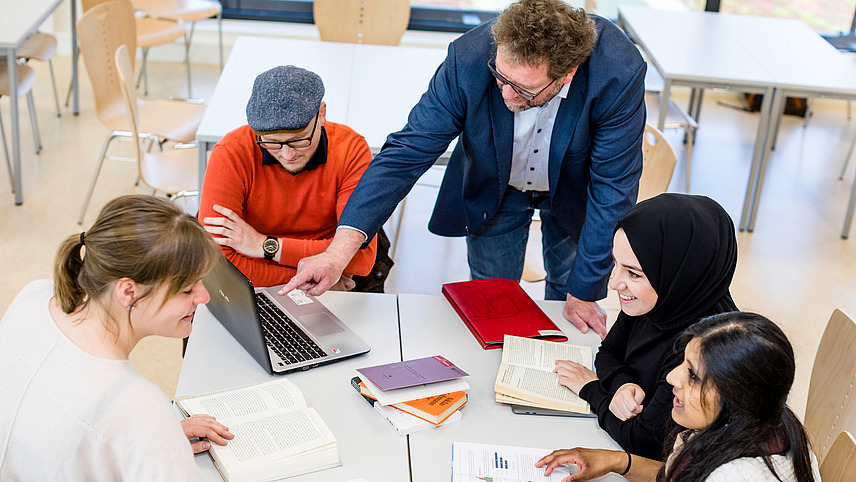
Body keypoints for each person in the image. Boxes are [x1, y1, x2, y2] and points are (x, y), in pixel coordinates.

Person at [282, 0, 647, 337]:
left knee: (570, 295)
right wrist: (338, 251)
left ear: (567, 73)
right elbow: (406, 153)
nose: (506, 95)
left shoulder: (617, 71)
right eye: (501, 78)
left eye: (523, 90)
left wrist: (584, 292)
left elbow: (613, 186)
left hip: (575, 188)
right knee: (494, 302)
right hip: (497, 189)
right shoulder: (469, 57)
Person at [0, 195, 234, 480]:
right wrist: (152, 434)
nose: (204, 297)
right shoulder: (138, 406)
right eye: (187, 290)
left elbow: (48, 424)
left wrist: (150, 442)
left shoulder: (33, 296)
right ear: (128, 292)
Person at [551, 193, 738, 459]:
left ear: (679, 271)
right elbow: (608, 352)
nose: (614, 283)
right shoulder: (658, 299)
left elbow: (644, 441)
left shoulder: (702, 347)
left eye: (633, 273)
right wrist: (622, 385)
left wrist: (591, 388)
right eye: (614, 264)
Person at [536, 312, 820, 482]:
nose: (672, 378)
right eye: (682, 364)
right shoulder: (766, 422)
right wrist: (618, 462)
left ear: (736, 397)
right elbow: (676, 474)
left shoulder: (732, 476)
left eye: (693, 375)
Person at [199, 65, 381, 290]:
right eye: (272, 143)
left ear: (321, 114)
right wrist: (324, 274)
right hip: (315, 284)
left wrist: (266, 246)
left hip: (260, 272)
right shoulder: (231, 153)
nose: (287, 154)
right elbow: (217, 263)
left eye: (299, 140)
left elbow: (362, 260)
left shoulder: (351, 150)